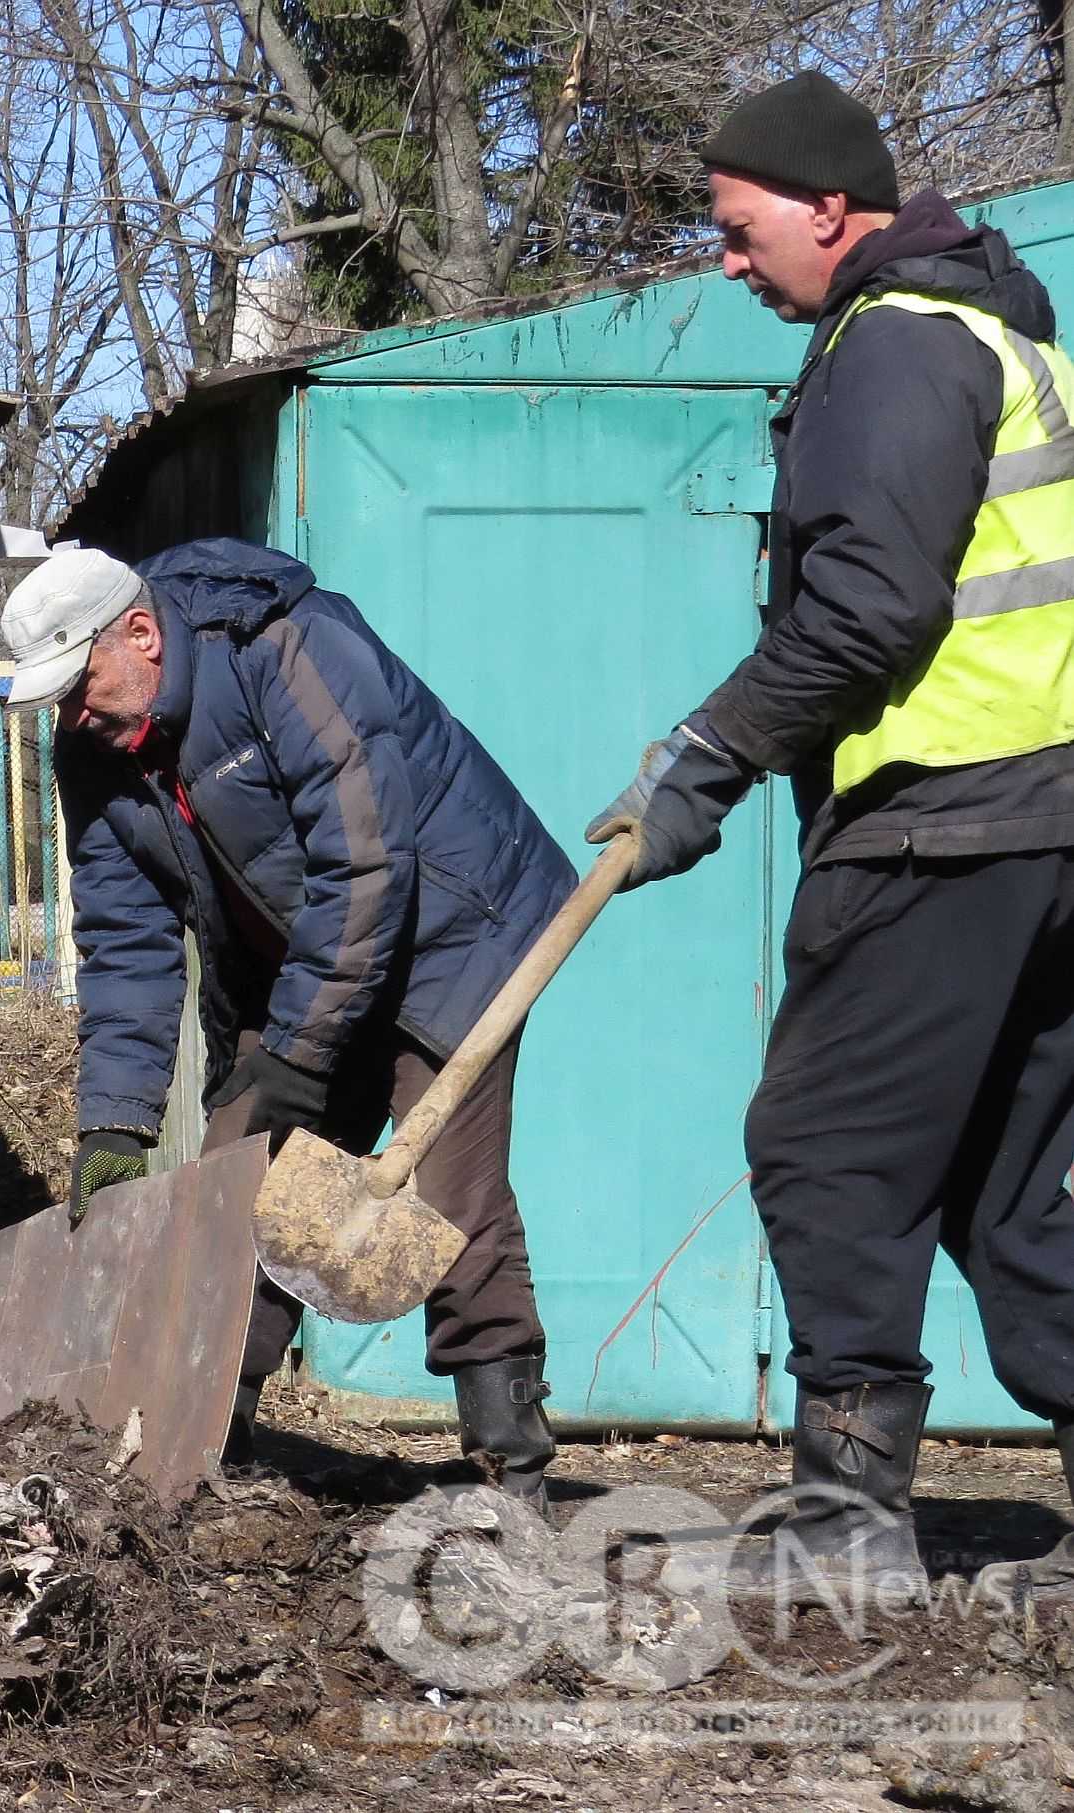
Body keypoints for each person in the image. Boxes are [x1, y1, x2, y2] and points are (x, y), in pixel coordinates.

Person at [587, 72, 1074, 1611]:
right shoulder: (995, 335)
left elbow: (866, 611)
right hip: (1041, 833)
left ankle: (847, 1519)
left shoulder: (893, 350)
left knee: (822, 1151)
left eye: (736, 233)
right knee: (1008, 1193)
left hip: (940, 824)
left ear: (825, 210)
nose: (725, 264)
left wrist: (705, 754)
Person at [21, 540, 576, 1502]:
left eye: (80, 684)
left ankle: (510, 1470)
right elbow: (125, 938)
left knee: (448, 1198)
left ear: (142, 634)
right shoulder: (97, 746)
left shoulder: (287, 650)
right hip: (301, 966)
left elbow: (364, 865)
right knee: (239, 1189)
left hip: (449, 931)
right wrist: (113, 1116)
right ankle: (197, 1452)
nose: (71, 714)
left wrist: (299, 1053)